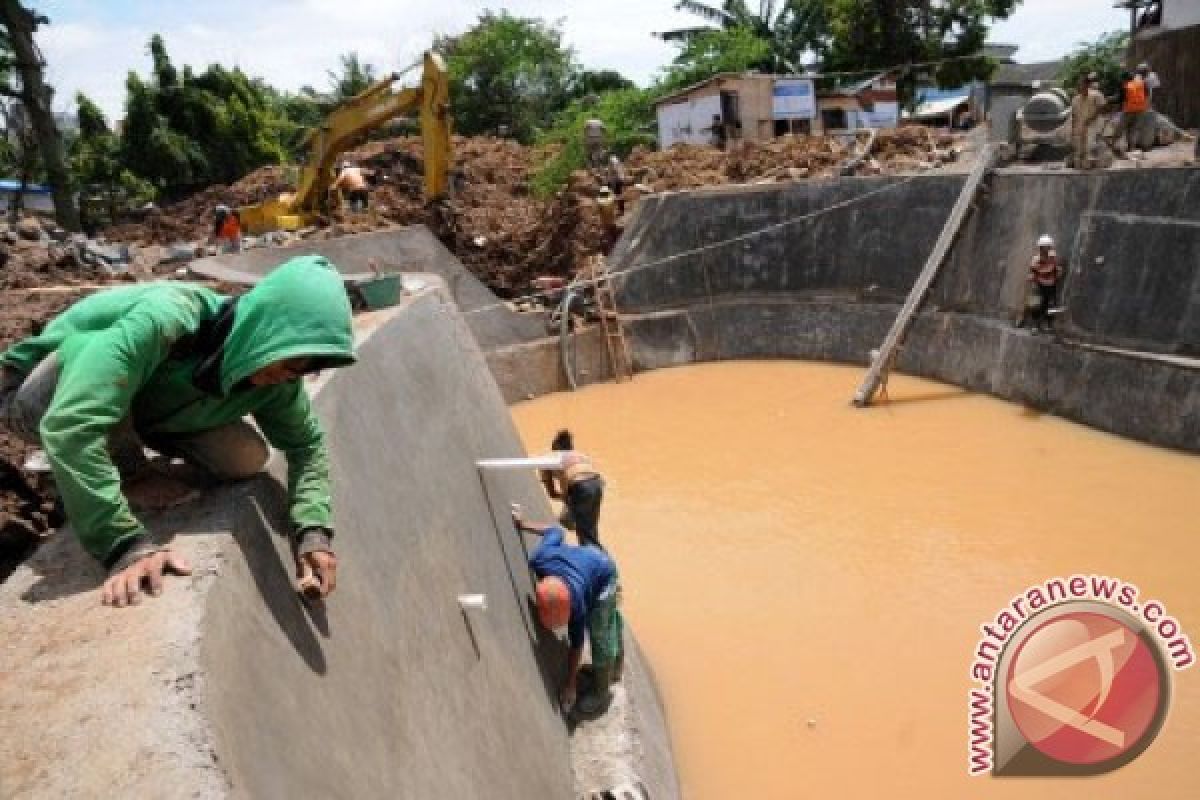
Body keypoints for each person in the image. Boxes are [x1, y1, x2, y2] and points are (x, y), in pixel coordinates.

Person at [0, 255, 357, 607]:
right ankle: (123, 470)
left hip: (143, 404)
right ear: (268, 329)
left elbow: (306, 445)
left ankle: (119, 451)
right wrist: (123, 545)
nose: (289, 375)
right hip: (40, 392)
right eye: (292, 361)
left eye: (304, 369)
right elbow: (72, 423)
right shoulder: (167, 318)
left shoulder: (278, 379)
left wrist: (312, 531)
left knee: (245, 458)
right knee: (94, 393)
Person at [513, 506, 623, 716]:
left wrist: (570, 684)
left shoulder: (578, 604)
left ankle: (602, 692)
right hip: (589, 558)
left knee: (600, 633)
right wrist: (523, 524)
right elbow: (556, 531)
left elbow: (577, 644)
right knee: (610, 620)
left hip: (604, 571)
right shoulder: (540, 559)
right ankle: (614, 668)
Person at [539, 429, 605, 549]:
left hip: (580, 487)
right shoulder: (581, 455)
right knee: (590, 529)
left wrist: (567, 500)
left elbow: (553, 493)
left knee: (584, 533)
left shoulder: (549, 459)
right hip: (597, 484)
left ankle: (596, 562)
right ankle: (599, 559)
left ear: (554, 448)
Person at [1069, 74, 1105, 169]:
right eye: (1079, 84)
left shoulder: (1096, 95)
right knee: (1079, 149)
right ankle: (1081, 166)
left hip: (1093, 126)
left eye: (1081, 84)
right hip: (1080, 127)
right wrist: (1073, 130)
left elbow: (1101, 108)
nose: (1079, 87)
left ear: (1087, 85)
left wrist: (1091, 119)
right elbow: (1073, 115)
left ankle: (1090, 167)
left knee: (1090, 148)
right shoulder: (1075, 99)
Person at [1028, 234, 1062, 333]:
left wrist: (1056, 275)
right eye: (1043, 247)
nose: (1045, 249)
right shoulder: (1036, 259)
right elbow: (1032, 272)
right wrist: (1033, 278)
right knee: (1036, 304)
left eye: (1047, 247)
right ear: (1040, 248)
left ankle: (1049, 324)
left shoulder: (1053, 259)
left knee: (1050, 305)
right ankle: (1035, 325)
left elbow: (1058, 271)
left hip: (1051, 285)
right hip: (1039, 284)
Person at [1116, 68, 1150, 152]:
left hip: (1129, 110)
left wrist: (1109, 99)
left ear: (1125, 79)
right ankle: (1131, 148)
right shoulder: (1141, 83)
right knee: (1134, 129)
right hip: (1141, 110)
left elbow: (1120, 98)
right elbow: (1147, 94)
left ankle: (1114, 144)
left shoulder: (1125, 86)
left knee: (1120, 128)